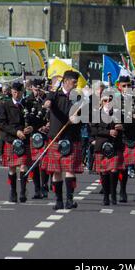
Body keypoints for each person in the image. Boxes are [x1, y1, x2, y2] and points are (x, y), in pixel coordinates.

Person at [41, 71, 84, 210]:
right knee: (56, 171)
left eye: (76, 82)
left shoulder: (78, 97)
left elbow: (84, 116)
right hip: (56, 136)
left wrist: (76, 118)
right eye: (73, 81)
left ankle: (69, 200)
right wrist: (47, 103)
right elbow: (48, 102)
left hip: (71, 137)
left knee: (70, 169)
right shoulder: (55, 95)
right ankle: (58, 201)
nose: (75, 84)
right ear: (65, 81)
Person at [0, 82, 32, 203]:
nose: (16, 94)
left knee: (23, 165)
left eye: (19, 92)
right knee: (12, 167)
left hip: (24, 139)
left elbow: (32, 119)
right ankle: (13, 191)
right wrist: (16, 132)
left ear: (23, 92)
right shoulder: (5, 105)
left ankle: (23, 191)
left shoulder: (26, 104)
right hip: (11, 139)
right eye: (14, 92)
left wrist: (31, 128)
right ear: (11, 92)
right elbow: (2, 124)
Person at [90, 95, 124, 205]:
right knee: (104, 172)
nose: (107, 102)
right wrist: (108, 132)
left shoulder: (118, 114)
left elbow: (127, 128)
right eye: (105, 100)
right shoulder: (96, 114)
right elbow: (94, 131)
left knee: (114, 170)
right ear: (101, 102)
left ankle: (113, 194)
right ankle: (106, 196)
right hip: (102, 146)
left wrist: (122, 127)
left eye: (110, 100)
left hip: (115, 145)